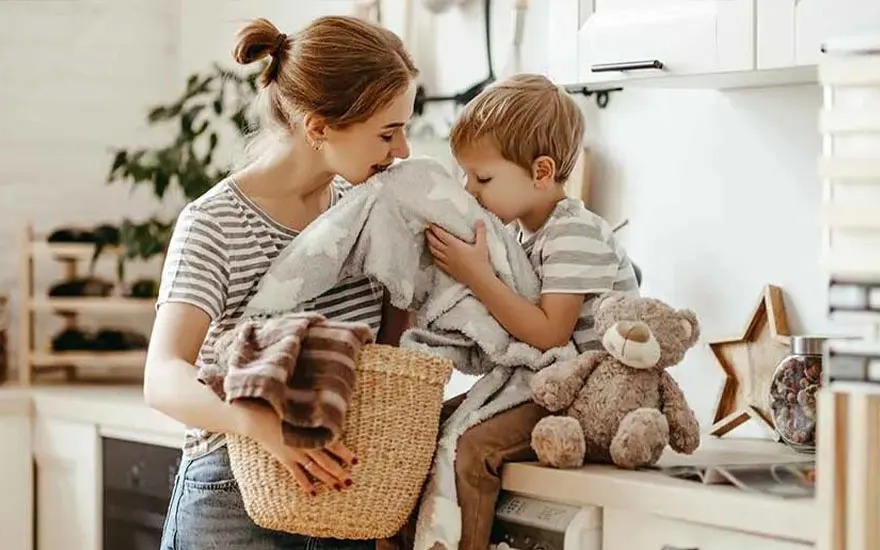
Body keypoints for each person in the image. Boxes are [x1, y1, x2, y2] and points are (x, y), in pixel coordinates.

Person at [144, 15, 418, 549]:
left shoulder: (368, 215)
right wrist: (263, 428)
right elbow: (162, 377)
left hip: (344, 490)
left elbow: (391, 349)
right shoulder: (215, 222)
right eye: (387, 132)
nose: (402, 150)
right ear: (318, 128)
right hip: (233, 495)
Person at [421, 74, 639, 550]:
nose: (470, 192)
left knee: (471, 447)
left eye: (483, 178)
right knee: (424, 429)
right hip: (546, 384)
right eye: (465, 177)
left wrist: (477, 275)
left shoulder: (574, 234)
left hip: (583, 394)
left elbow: (549, 334)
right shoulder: (522, 233)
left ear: (542, 172)